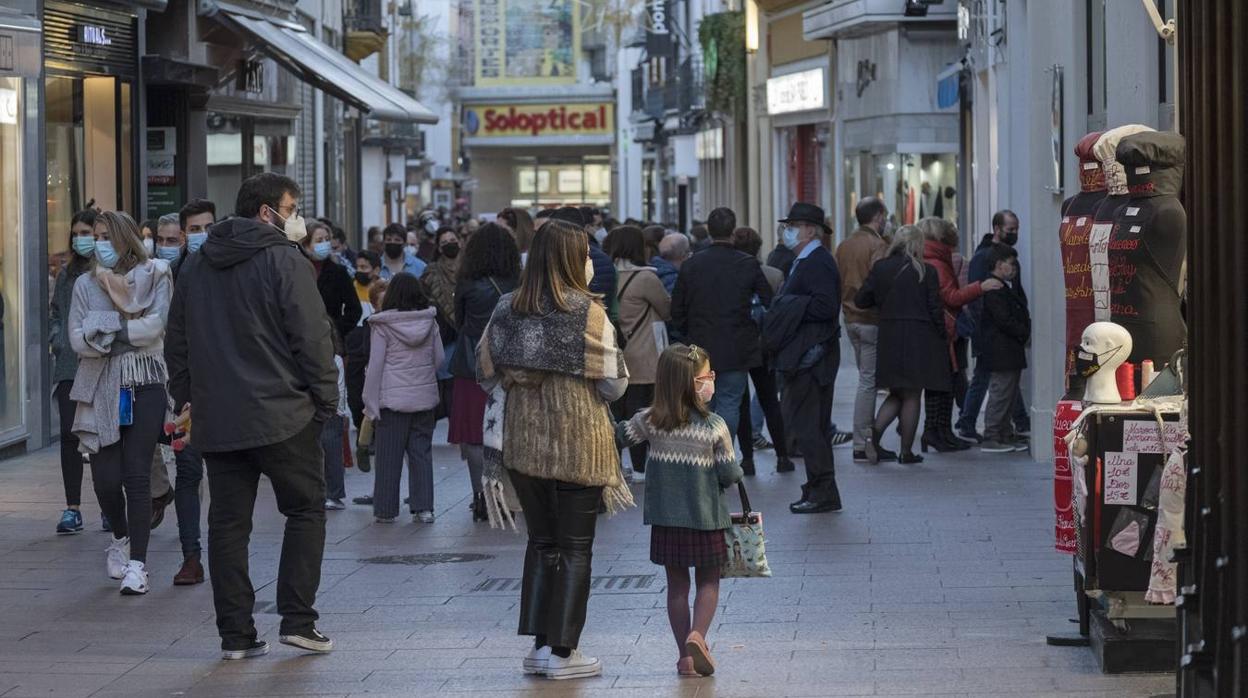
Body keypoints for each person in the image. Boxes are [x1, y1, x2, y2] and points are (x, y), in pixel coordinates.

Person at [165, 172, 338, 659]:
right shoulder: (285, 261)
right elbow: (312, 337)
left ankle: (236, 636)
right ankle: (298, 620)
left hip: (219, 417)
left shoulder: (196, 266)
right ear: (267, 212)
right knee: (305, 509)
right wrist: (326, 399)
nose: (296, 217)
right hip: (283, 413)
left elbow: (175, 342)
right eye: (292, 207)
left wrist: (189, 397)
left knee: (227, 525)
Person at [476, 218, 633, 681]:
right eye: (584, 253)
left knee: (541, 542)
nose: (589, 261)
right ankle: (566, 652)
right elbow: (615, 384)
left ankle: (541, 647)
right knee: (576, 548)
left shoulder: (506, 308)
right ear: (570, 259)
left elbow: (484, 372)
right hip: (578, 443)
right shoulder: (588, 312)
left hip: (523, 443)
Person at [615, 343, 742, 677]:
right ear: (690, 384)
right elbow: (729, 475)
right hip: (707, 519)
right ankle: (697, 636)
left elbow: (618, 436)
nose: (711, 381)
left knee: (676, 588)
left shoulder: (650, 420)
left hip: (666, 521)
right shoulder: (715, 425)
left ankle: (684, 658)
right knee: (709, 584)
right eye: (706, 376)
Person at [68, 210, 173, 595]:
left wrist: (105, 330)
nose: (98, 244)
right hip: (99, 384)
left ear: (124, 238)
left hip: (145, 379)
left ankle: (138, 565)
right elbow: (78, 340)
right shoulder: (84, 284)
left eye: (105, 236)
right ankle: (120, 534)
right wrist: (127, 331)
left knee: (137, 473)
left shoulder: (157, 273)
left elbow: (157, 326)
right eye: (94, 236)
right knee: (105, 479)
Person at [671, 207, 773, 450]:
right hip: (737, 346)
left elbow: (677, 309)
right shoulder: (747, 264)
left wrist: (686, 336)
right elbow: (769, 299)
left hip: (697, 345)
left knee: (702, 402)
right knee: (730, 402)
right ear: (733, 231)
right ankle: (723, 453)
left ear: (709, 229)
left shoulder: (691, 264)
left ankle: (703, 453)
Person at [769, 203, 842, 514]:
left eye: (795, 225)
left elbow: (826, 307)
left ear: (811, 230)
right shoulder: (805, 260)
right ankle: (817, 487)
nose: (789, 231)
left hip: (812, 357)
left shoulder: (818, 261)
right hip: (809, 353)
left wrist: (788, 306)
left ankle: (823, 489)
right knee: (808, 424)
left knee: (809, 426)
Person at [853, 226, 948, 464]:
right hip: (918, 336)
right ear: (918, 245)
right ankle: (906, 451)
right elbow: (936, 308)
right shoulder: (926, 271)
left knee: (897, 392)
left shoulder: (881, 268)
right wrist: (941, 338)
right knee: (912, 394)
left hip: (890, 335)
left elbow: (861, 300)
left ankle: (871, 438)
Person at [448, 223, 520, 521]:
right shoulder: (519, 281)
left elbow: (459, 320)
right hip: (510, 364)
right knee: (506, 430)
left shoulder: (466, 282)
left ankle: (481, 495)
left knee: (474, 434)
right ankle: (506, 494)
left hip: (470, 364)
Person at [363, 272, 443, 523]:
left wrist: (369, 402)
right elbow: (439, 360)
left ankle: (386, 511)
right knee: (421, 453)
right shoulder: (430, 321)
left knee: (389, 456)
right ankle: (424, 508)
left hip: (393, 402)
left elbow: (375, 366)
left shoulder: (382, 325)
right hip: (424, 398)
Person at [920, 217, 1001, 452]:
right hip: (945, 328)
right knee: (945, 382)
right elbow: (952, 297)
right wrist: (980, 287)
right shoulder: (938, 262)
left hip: (942, 327)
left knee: (946, 382)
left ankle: (939, 432)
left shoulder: (931, 258)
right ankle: (937, 432)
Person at [955, 209, 1030, 442]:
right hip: (991, 332)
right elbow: (979, 294)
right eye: (1011, 230)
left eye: (1017, 229)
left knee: (1002, 380)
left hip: (1001, 334)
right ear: (997, 229)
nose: (1015, 233)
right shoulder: (985, 258)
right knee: (989, 379)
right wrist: (983, 328)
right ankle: (976, 424)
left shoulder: (1006, 256)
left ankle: (1013, 423)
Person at [609, 225, 672, 482]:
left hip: (615, 354)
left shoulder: (606, 275)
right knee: (641, 413)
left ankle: (614, 464)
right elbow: (666, 309)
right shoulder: (646, 278)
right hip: (644, 355)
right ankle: (639, 469)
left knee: (616, 412)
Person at [728, 226, 793, 475]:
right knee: (770, 400)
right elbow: (779, 309)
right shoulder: (774, 274)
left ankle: (747, 458)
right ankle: (782, 455)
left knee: (742, 401)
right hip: (764, 345)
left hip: (738, 344)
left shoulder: (730, 273)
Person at [836, 197, 896, 462]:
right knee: (868, 382)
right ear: (879, 216)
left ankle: (865, 439)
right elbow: (880, 284)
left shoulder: (844, 246)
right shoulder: (878, 245)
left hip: (850, 318)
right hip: (871, 319)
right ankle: (862, 441)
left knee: (866, 379)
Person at [50, 208, 97, 534]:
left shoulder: (107, 270)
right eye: (76, 233)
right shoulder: (67, 274)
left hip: (99, 364)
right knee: (70, 436)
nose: (81, 239)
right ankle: (73, 508)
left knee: (102, 438)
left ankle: (110, 506)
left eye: (87, 233)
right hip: (69, 365)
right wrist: (58, 338)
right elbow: (56, 312)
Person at [977, 244, 1031, 453]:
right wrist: (1023, 331)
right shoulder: (995, 289)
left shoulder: (1003, 287)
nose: (1014, 268)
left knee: (1008, 393)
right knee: (1001, 392)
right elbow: (1003, 319)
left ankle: (1004, 433)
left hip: (1007, 349)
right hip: (1001, 349)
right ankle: (992, 435)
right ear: (999, 265)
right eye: (1011, 263)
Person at [302, 220, 362, 341]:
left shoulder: (339, 272)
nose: (324, 244)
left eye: (327, 239)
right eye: (319, 240)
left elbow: (354, 310)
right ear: (306, 245)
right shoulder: (297, 271)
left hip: (331, 341)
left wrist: (335, 330)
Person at [322, 329, 352, 510]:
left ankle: (328, 493)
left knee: (322, 453)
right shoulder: (336, 359)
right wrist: (341, 412)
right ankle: (334, 494)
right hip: (332, 410)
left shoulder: (306, 357)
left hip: (316, 409)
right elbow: (340, 388)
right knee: (333, 452)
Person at [175, 199, 216, 279]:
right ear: (183, 236)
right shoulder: (174, 270)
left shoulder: (229, 269)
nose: (204, 234)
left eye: (209, 227)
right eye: (195, 229)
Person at [353, 250, 381, 318]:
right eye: (357, 267)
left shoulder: (383, 290)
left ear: (376, 270)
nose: (359, 270)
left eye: (363, 267)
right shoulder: (349, 288)